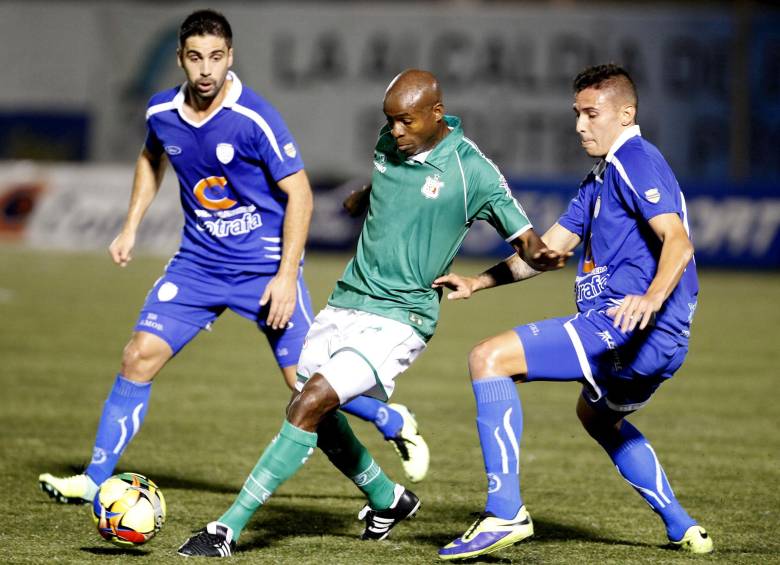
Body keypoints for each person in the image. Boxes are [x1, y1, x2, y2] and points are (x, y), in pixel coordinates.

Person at [38, 9, 429, 507]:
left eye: (216, 57)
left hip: (264, 270)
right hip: (197, 265)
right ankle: (95, 479)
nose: (206, 69)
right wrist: (130, 226)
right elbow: (151, 157)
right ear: (180, 59)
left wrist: (286, 276)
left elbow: (301, 194)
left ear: (230, 57)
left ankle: (388, 426)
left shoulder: (254, 117)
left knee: (307, 389)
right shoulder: (162, 112)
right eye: (195, 58)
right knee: (138, 357)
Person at [176, 68, 569, 557]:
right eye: (390, 120)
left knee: (309, 402)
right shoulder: (389, 142)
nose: (395, 131)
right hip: (348, 299)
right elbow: (388, 178)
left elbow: (527, 242)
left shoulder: (473, 172)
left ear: (437, 114)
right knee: (310, 409)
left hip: (401, 318)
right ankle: (388, 497)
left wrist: (541, 254)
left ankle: (226, 529)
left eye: (406, 121)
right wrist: (362, 195)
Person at [434, 63, 713, 561]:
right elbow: (548, 252)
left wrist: (650, 298)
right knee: (596, 418)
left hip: (627, 326)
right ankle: (682, 526)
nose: (581, 125)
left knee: (488, 359)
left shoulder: (636, 159)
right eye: (576, 114)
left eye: (592, 114)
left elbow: (678, 241)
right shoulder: (600, 178)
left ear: (625, 114)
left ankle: (505, 512)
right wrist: (479, 281)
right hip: (653, 339)